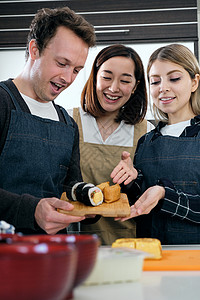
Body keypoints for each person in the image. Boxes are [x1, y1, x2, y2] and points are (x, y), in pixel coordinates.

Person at [0, 6, 96, 235]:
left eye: (76, 69)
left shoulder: (67, 122)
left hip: (52, 253)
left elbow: (70, 186)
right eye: (62, 63)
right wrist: (31, 210)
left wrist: (90, 197)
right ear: (35, 49)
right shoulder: (3, 102)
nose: (67, 78)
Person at [113, 43, 200, 244]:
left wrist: (164, 194)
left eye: (174, 78)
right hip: (150, 254)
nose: (163, 88)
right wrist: (131, 180)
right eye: (155, 81)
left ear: (194, 82)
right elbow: (140, 203)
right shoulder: (146, 141)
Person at [68, 44, 154, 245]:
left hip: (127, 243)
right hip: (75, 240)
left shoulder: (146, 131)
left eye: (125, 81)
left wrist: (135, 179)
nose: (114, 88)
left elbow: (149, 194)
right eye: (107, 77)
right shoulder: (69, 121)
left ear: (134, 87)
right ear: (95, 76)